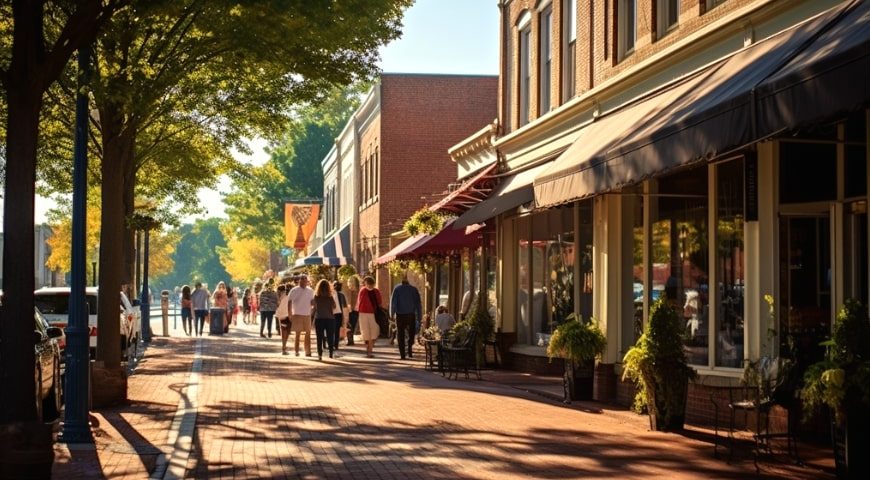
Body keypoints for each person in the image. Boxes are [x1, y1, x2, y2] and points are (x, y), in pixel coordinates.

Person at [390, 275, 422, 360]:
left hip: (400, 315)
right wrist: (419, 316)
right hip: (411, 315)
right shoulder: (414, 290)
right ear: (408, 282)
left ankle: (402, 355)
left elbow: (393, 303)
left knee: (400, 335)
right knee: (412, 333)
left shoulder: (397, 289)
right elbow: (418, 304)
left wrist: (392, 314)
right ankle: (410, 345)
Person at [357, 276, 383, 358]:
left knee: (374, 332)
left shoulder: (376, 291)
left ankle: (369, 350)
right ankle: (369, 351)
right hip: (363, 313)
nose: (369, 286)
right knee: (366, 332)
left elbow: (379, 302)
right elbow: (359, 302)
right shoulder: (363, 290)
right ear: (365, 284)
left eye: (371, 284)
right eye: (368, 284)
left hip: (373, 314)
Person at [288, 276, 314, 356]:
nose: (303, 282)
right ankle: (296, 351)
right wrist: (290, 313)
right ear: (299, 281)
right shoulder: (294, 290)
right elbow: (289, 302)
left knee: (308, 333)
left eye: (305, 281)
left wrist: (313, 306)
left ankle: (307, 351)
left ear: (307, 282)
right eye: (302, 281)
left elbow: (312, 302)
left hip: (307, 314)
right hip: (297, 314)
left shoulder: (310, 290)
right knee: (298, 333)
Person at [312, 279, 338, 360]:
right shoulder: (330, 297)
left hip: (319, 318)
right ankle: (330, 353)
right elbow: (334, 306)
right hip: (330, 319)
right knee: (330, 337)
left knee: (319, 337)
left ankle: (320, 354)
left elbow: (314, 308)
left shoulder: (316, 297)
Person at [332, 281, 348, 351]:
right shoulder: (341, 295)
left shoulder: (332, 294)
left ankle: (333, 344)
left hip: (332, 314)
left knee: (333, 329)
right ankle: (335, 345)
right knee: (336, 330)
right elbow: (344, 306)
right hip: (338, 314)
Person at [345, 275, 361, 346]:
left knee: (350, 326)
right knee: (352, 326)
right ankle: (350, 340)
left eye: (350, 282)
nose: (348, 283)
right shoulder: (357, 290)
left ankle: (350, 340)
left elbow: (349, 302)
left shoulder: (352, 291)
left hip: (352, 310)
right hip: (354, 310)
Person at [275, 284, 291, 354]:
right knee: (287, 332)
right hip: (289, 315)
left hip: (282, 316)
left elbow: (277, 307)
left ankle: (284, 346)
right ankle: (284, 347)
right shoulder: (288, 296)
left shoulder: (279, 297)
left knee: (283, 332)